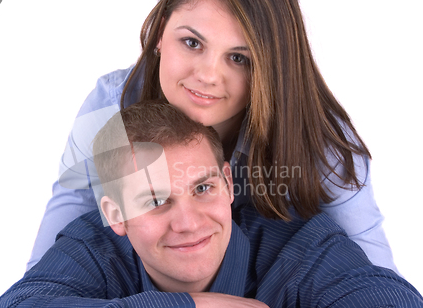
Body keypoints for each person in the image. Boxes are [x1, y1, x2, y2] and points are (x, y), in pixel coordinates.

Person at [27, 0, 397, 274]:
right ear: (158, 34)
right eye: (192, 43)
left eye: (239, 59)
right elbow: (36, 289)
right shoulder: (109, 108)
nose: (207, 76)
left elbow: (386, 296)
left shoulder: (318, 139)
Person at [0, 101, 423, 308]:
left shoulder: (299, 243)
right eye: (155, 201)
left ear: (229, 184)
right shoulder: (94, 248)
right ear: (114, 215)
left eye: (203, 188)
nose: (189, 222)